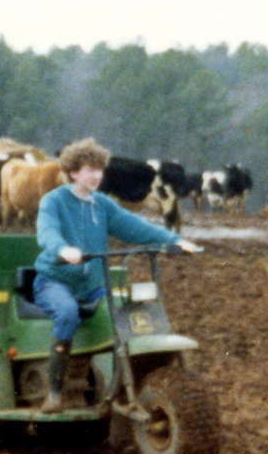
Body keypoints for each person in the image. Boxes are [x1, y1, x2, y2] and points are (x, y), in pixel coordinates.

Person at [33, 138, 202, 413]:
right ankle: (54, 392)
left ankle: (133, 387)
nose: (97, 175)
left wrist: (174, 240)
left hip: (92, 285)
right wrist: (63, 249)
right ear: (73, 172)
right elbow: (47, 232)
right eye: (90, 169)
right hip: (55, 281)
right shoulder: (54, 201)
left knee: (129, 314)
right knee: (66, 312)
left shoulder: (102, 204)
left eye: (100, 169)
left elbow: (135, 227)